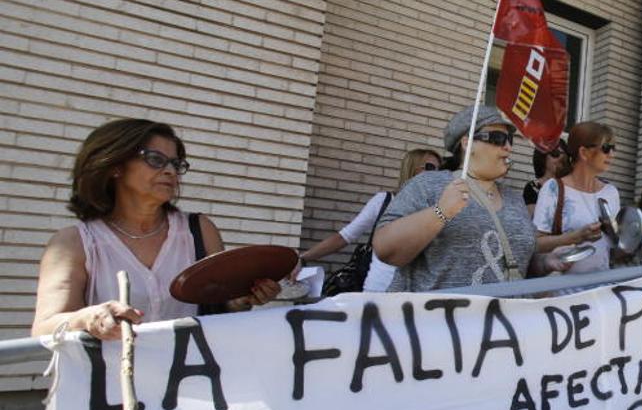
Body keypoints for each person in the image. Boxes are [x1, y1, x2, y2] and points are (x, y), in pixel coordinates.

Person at [32, 119, 281, 339]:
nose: (170, 171)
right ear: (115, 166)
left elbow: (218, 310)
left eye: (176, 163)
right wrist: (87, 319)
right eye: (155, 160)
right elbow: (44, 328)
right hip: (105, 388)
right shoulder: (75, 242)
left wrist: (242, 300)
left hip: (185, 385)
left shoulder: (198, 230)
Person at [373, 106, 570, 291]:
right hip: (438, 323)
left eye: (510, 139)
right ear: (467, 143)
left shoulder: (513, 198)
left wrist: (546, 263)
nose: (508, 147)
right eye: (498, 138)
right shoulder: (427, 185)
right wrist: (440, 212)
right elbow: (385, 249)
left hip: (501, 322)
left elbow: (518, 259)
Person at [298, 149, 435, 292]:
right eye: (430, 167)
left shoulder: (439, 210)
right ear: (411, 169)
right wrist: (301, 259)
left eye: (441, 169)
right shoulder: (384, 201)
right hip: (377, 292)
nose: (437, 174)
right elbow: (345, 236)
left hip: (418, 297)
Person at [532, 122, 621, 275]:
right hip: (565, 293)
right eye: (606, 148)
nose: (612, 154)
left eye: (613, 149)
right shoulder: (553, 188)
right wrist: (574, 237)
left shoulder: (610, 192)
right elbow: (535, 244)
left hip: (602, 289)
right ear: (584, 152)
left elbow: (615, 247)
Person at [523, 139, 567, 216]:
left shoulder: (569, 187)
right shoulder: (532, 188)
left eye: (564, 156)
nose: (560, 159)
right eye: (555, 153)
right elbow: (533, 220)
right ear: (542, 157)